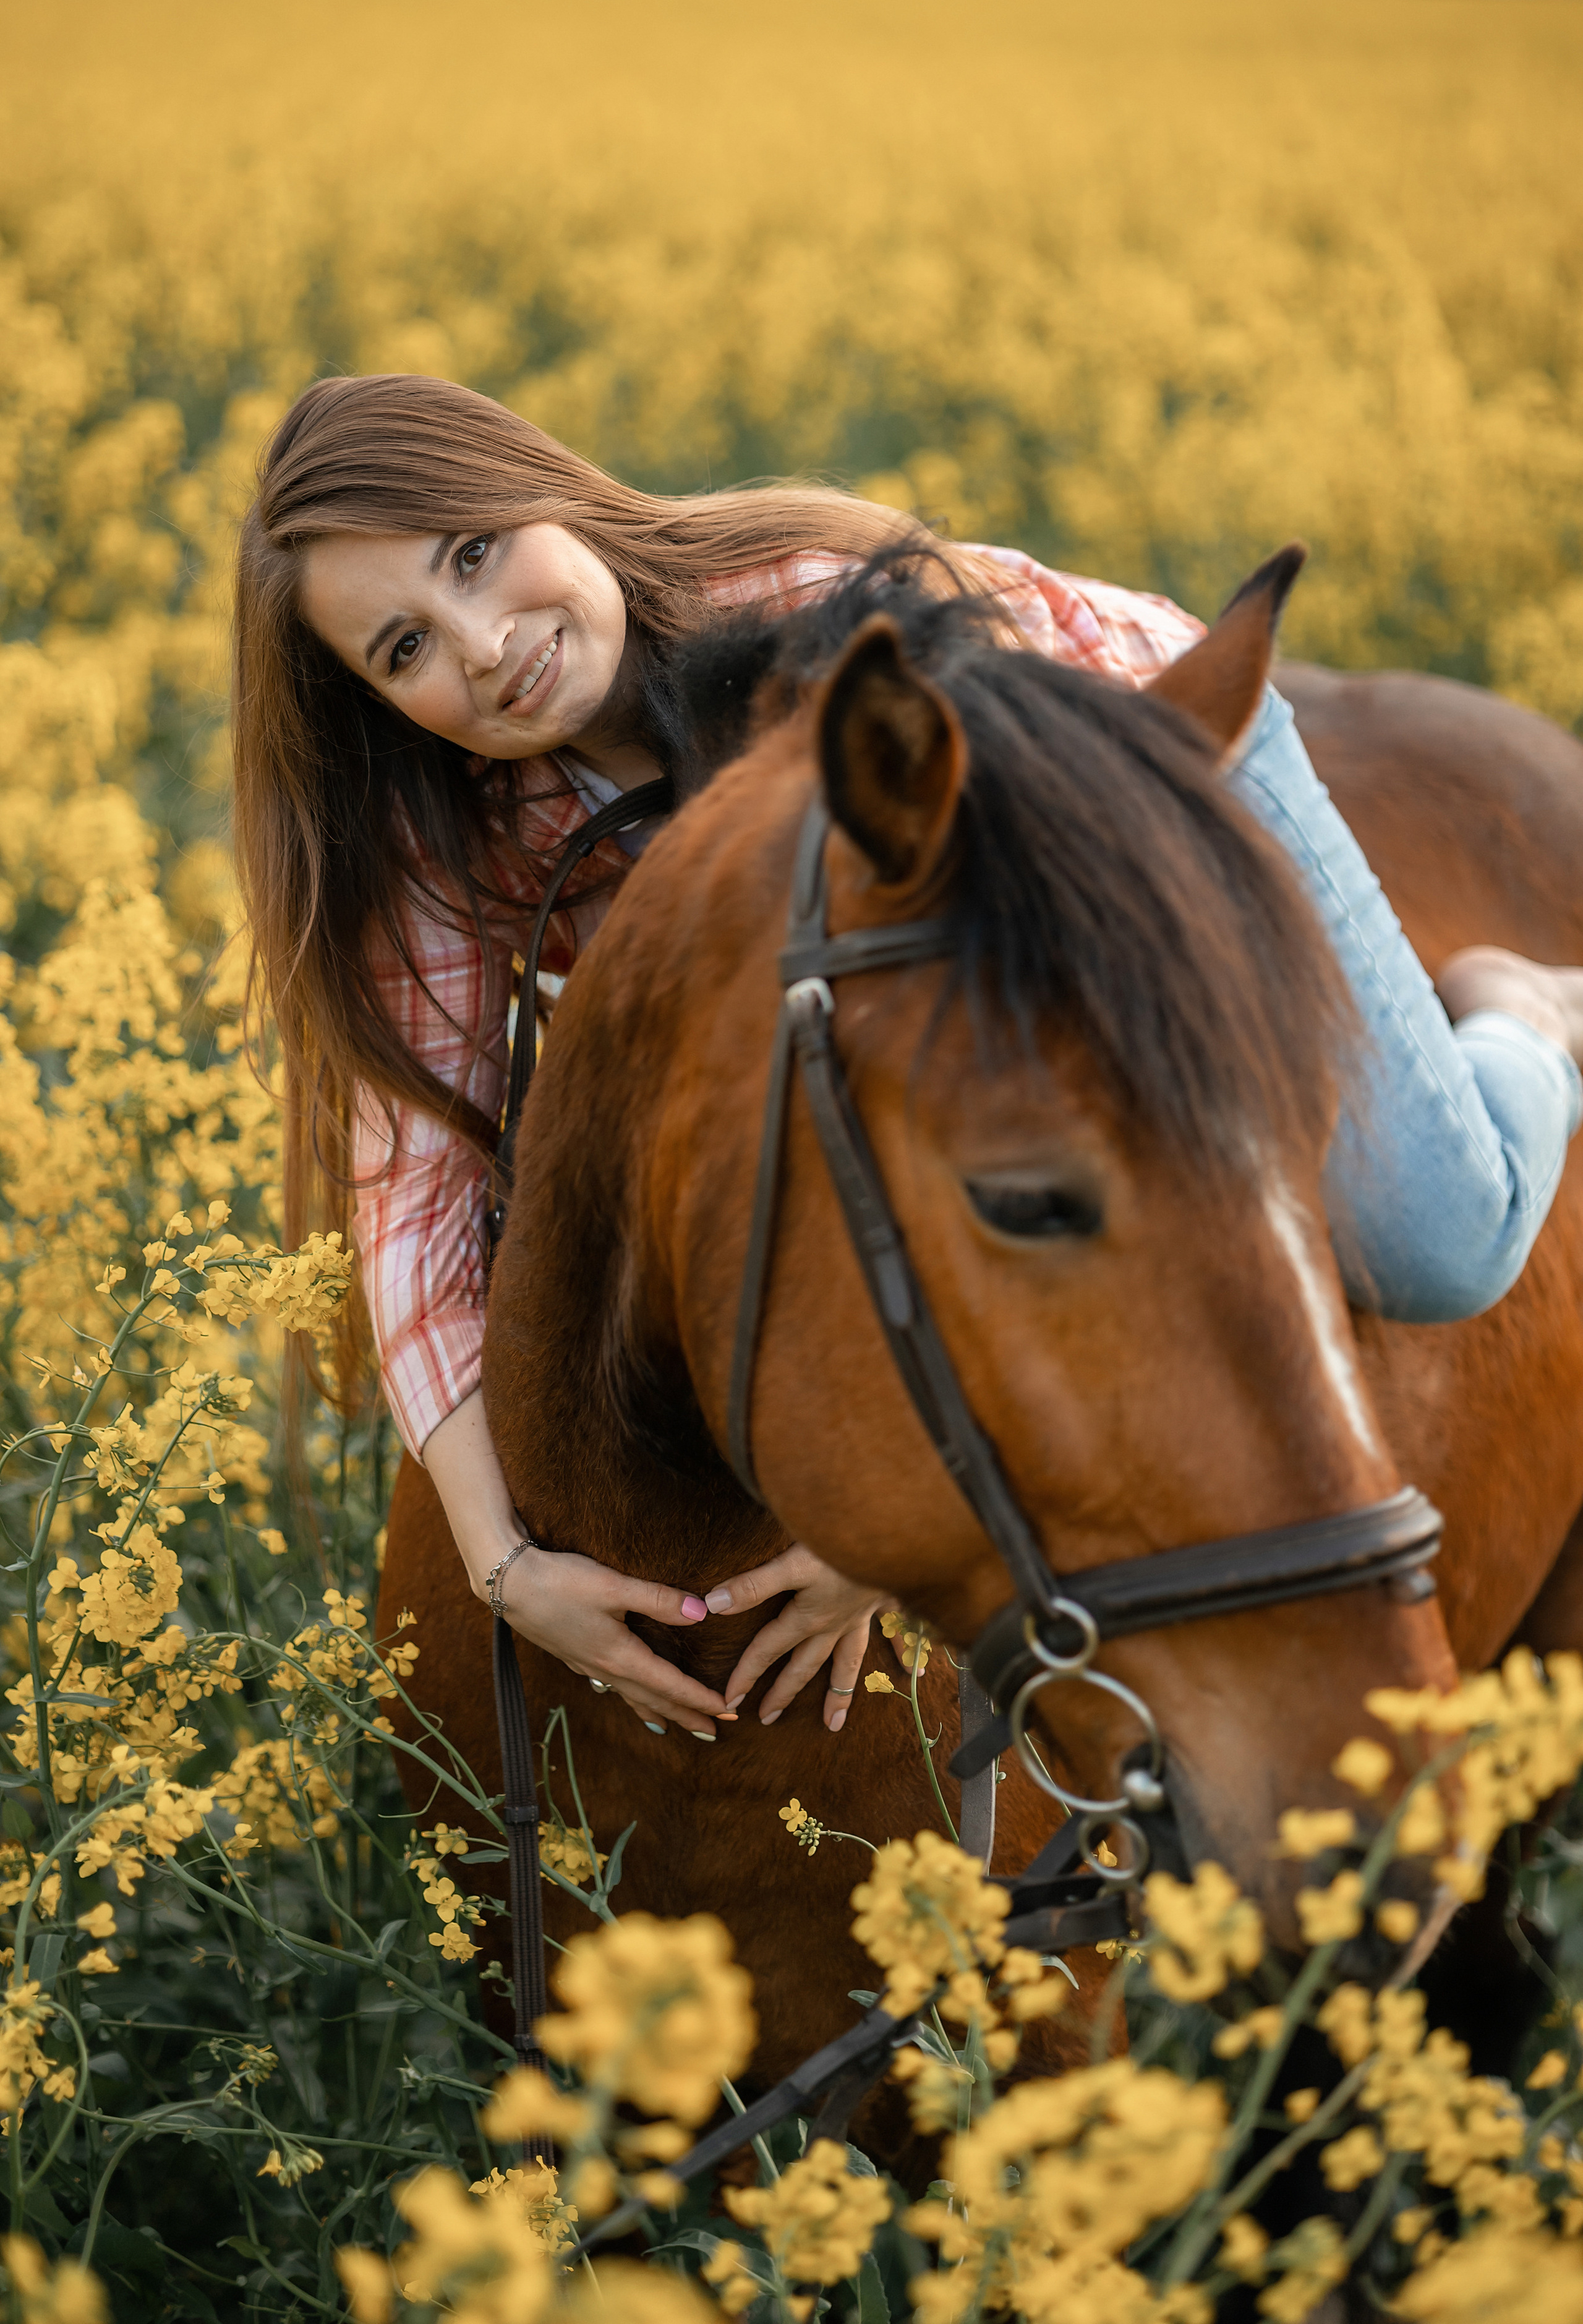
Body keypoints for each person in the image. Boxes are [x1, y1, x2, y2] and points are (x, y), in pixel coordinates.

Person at [233, 372, 1583, 1744]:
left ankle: (1520, 1015)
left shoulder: (805, 603)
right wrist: (500, 1562)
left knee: (1440, 1239)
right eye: (401, 650)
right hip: (886, 970)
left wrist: (901, 1513)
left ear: (547, 488)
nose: (478, 643)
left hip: (1136, 767)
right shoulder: (433, 828)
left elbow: (1038, 1007)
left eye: (473, 554)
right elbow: (414, 1190)